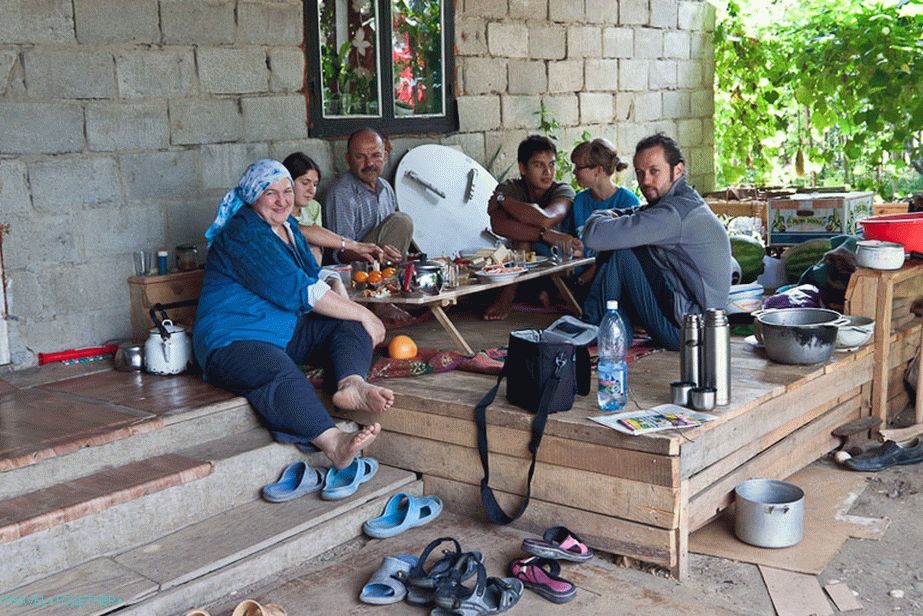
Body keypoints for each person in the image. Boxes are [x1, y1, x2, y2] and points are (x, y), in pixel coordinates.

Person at [196, 160, 393, 469]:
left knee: (348, 325)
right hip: (233, 341)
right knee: (278, 370)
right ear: (253, 196)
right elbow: (301, 291)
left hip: (283, 331)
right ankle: (334, 442)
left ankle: (351, 384)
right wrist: (367, 314)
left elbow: (312, 275)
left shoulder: (286, 228)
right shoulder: (245, 233)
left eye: (287, 191)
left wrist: (339, 292)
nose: (282, 200)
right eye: (270, 193)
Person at [581, 133, 731, 350]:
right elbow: (637, 213)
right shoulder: (681, 201)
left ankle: (599, 328)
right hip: (693, 321)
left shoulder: (673, 214)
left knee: (621, 251)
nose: (645, 181)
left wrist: (602, 215)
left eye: (654, 171)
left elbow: (594, 236)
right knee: (622, 243)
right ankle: (608, 327)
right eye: (640, 173)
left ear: (677, 170)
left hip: (688, 332)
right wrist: (613, 216)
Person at [484, 135, 577, 320]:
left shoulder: (562, 190)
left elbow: (546, 219)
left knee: (521, 237)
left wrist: (503, 200)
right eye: (538, 165)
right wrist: (544, 235)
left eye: (551, 164)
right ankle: (524, 294)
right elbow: (498, 225)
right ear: (523, 168)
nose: (547, 172)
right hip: (523, 260)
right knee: (521, 241)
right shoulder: (511, 188)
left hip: (558, 257)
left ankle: (512, 295)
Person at [325, 128, 413, 264]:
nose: (369, 163)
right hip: (358, 268)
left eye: (376, 155)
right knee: (402, 220)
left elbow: (393, 237)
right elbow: (341, 253)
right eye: (360, 157)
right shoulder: (342, 193)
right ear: (348, 159)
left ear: (385, 156)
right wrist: (374, 253)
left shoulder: (386, 188)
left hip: (383, 263)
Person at [282, 151, 386, 266]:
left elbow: (317, 241)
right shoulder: (278, 210)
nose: (311, 191)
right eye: (305, 183)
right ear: (288, 182)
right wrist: (354, 245)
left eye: (315, 184)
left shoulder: (313, 207)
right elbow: (302, 230)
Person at [564, 138, 640, 293]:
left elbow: (623, 253)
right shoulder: (579, 201)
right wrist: (576, 248)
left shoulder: (627, 201)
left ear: (598, 170)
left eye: (579, 167)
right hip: (581, 268)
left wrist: (583, 278)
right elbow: (574, 240)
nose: (574, 172)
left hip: (611, 277)